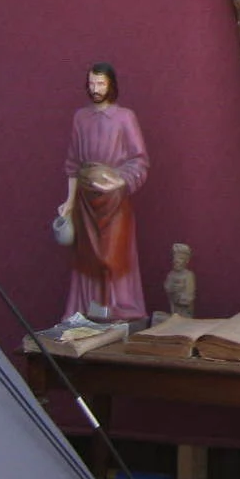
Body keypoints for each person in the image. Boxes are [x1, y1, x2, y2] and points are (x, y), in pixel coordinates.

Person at [60, 62, 149, 321]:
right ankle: (87, 308)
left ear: (111, 85)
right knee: (87, 259)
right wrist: (68, 201)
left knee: (112, 255)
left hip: (113, 201)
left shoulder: (125, 118)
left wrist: (118, 181)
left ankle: (116, 309)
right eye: (91, 83)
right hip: (85, 200)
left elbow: (139, 160)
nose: (95, 89)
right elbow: (73, 164)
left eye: (100, 83)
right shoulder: (81, 117)